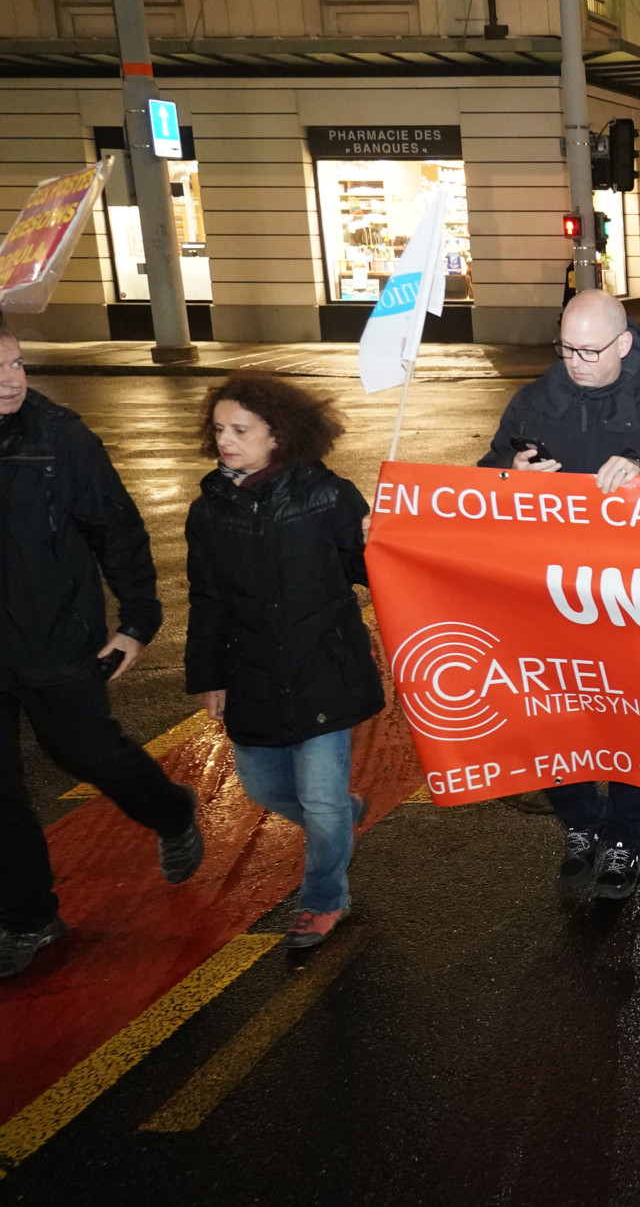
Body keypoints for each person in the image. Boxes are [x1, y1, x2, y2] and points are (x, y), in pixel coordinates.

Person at [486, 291, 640, 899]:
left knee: (632, 721)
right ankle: (581, 823)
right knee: (557, 718)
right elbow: (483, 482)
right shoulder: (533, 401)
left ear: (621, 345)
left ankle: (624, 840)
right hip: (552, 596)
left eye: (590, 350)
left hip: (630, 600)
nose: (577, 361)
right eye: (566, 349)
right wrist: (511, 478)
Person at [0, 321, 204, 980]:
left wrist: (138, 621)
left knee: (84, 750)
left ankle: (169, 809)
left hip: (52, 637)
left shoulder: (60, 438)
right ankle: (29, 916)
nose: (11, 379)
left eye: (17, 363)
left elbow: (116, 529)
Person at [185, 373, 381, 950]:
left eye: (241, 430)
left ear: (279, 435)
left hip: (322, 668)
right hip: (252, 675)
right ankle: (344, 815)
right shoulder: (210, 509)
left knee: (319, 803)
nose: (226, 440)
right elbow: (207, 597)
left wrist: (378, 542)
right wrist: (210, 674)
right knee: (264, 788)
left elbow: (369, 574)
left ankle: (324, 898)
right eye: (220, 429)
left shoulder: (328, 495)